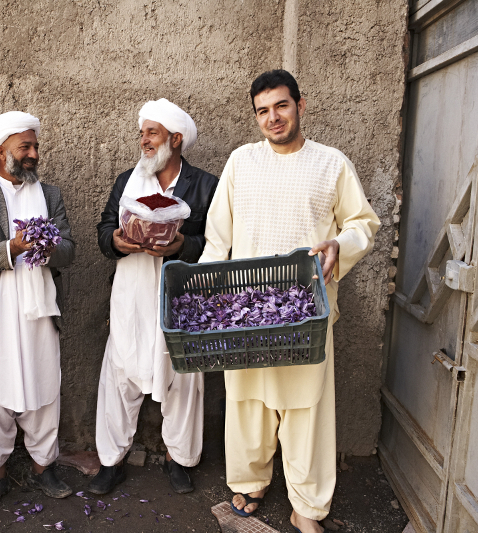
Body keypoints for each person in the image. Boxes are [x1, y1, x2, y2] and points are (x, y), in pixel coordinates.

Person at [199, 70, 380, 533]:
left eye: (281, 106)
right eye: (263, 110)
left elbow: (362, 223)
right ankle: (251, 482)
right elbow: (219, 236)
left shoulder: (332, 163)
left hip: (306, 313)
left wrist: (341, 245)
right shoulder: (241, 162)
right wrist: (206, 295)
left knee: (306, 409)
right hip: (246, 312)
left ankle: (307, 504)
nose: (273, 117)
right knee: (247, 402)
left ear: (301, 105)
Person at [91, 99, 218, 495]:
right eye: (142, 132)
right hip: (131, 295)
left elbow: (216, 243)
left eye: (152, 133)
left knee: (182, 377)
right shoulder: (126, 180)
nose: (143, 140)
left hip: (181, 299)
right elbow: (104, 229)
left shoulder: (205, 185)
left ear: (175, 140)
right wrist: (115, 240)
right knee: (120, 373)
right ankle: (111, 461)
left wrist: (181, 244)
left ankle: (177, 459)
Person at [0, 111, 76, 512]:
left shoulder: (52, 195)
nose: (33, 154)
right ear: (0, 151)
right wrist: (14, 246)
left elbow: (70, 251)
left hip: (40, 309)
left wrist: (48, 248)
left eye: (35, 146)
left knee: (44, 384)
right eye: (25, 147)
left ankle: (45, 466)